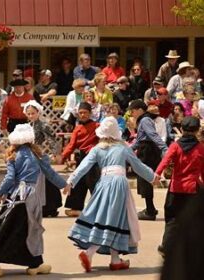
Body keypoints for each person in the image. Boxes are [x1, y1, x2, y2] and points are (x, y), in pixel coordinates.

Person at [66, 116, 158, 273]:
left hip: (103, 183)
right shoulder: (123, 148)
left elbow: (84, 166)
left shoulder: (97, 149)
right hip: (119, 184)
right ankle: (90, 253)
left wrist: (71, 181)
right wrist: (152, 176)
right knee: (115, 219)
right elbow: (137, 166)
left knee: (108, 218)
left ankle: (115, 260)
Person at [0, 124, 69, 277]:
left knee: (9, 227)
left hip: (15, 197)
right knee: (30, 229)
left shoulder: (13, 156)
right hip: (30, 196)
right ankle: (32, 263)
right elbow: (50, 173)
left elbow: (10, 178)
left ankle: (26, 263)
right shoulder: (37, 155)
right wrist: (64, 185)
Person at [155, 116, 204, 257]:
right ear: (197, 131)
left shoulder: (175, 146)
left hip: (175, 188)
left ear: (181, 129)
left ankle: (166, 247)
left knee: (172, 219)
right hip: (193, 189)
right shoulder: (201, 148)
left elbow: (165, 161)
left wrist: (157, 175)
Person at [59, 102, 100, 217]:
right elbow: (71, 145)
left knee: (94, 183)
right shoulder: (77, 129)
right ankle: (75, 207)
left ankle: (99, 207)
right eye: (80, 113)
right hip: (81, 158)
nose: (83, 115)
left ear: (90, 113)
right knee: (77, 182)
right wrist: (62, 157)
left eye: (85, 113)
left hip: (93, 158)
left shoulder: (97, 126)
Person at [129, 100, 168, 220]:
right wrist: (128, 149)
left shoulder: (145, 120)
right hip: (145, 149)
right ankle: (149, 208)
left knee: (146, 180)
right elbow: (140, 139)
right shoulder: (144, 120)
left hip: (148, 152)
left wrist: (165, 149)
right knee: (144, 179)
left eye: (133, 111)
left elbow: (153, 135)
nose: (132, 114)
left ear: (140, 110)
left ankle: (150, 211)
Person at [24, 100, 62, 217]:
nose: (31, 116)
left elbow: (51, 139)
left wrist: (55, 153)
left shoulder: (43, 125)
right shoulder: (27, 126)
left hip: (39, 154)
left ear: (38, 112)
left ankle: (49, 207)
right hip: (29, 155)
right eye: (29, 113)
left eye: (33, 113)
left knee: (46, 180)